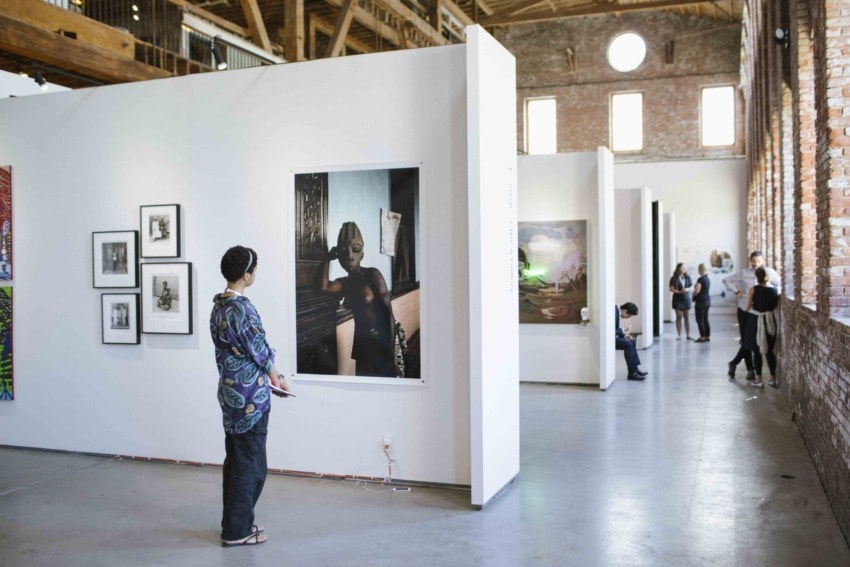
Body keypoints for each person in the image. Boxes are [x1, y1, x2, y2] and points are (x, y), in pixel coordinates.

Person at [210, 245, 290, 547]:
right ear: (246, 274)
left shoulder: (218, 306)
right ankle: (238, 531)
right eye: (254, 268)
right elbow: (258, 348)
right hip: (250, 399)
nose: (255, 273)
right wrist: (277, 379)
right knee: (251, 465)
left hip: (230, 394)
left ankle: (233, 524)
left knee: (236, 461)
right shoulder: (242, 308)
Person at [317, 222, 397, 377]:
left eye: (355, 250)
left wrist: (390, 350)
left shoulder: (372, 275)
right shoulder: (345, 284)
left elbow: (388, 314)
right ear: (338, 256)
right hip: (361, 342)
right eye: (343, 251)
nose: (349, 255)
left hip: (380, 341)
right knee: (365, 385)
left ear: (362, 254)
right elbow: (323, 287)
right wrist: (327, 258)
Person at [723, 250, 780, 380]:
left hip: (760, 312)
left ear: (763, 261)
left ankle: (734, 363)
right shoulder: (744, 273)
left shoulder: (769, 272)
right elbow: (726, 280)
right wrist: (736, 291)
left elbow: (779, 283)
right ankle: (750, 370)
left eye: (758, 261)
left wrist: (777, 293)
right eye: (754, 261)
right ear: (750, 260)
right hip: (744, 310)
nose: (756, 264)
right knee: (747, 341)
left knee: (754, 342)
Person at [743, 267, 780, 388]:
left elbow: (747, 307)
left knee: (756, 351)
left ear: (756, 277)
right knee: (769, 351)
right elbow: (774, 307)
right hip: (770, 321)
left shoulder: (753, 290)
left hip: (756, 320)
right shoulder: (775, 290)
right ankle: (772, 378)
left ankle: (759, 379)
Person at [615, 302, 648, 381]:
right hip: (608, 339)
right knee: (628, 345)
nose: (628, 318)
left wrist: (624, 336)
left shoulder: (616, 312)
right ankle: (631, 373)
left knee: (632, 341)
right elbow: (611, 331)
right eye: (629, 316)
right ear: (625, 311)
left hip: (612, 337)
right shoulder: (614, 313)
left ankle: (635, 369)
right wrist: (623, 329)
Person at [669, 262, 693, 340]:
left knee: (687, 317)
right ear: (678, 268)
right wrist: (679, 292)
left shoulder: (687, 277)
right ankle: (679, 335)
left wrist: (686, 289)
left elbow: (691, 287)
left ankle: (688, 335)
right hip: (677, 299)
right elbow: (671, 289)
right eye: (683, 267)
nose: (684, 269)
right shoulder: (674, 278)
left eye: (685, 268)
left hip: (686, 299)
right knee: (679, 317)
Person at [692, 263, 711, 342]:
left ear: (700, 269)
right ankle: (707, 335)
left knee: (699, 319)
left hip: (700, 301)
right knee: (705, 318)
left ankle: (702, 336)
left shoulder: (700, 279)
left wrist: (693, 296)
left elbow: (697, 291)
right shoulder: (707, 278)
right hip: (707, 300)